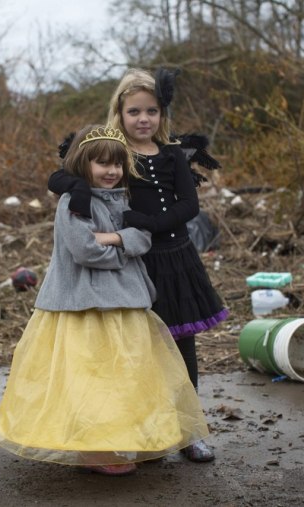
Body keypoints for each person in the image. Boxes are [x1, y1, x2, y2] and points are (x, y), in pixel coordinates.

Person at [0, 124, 210, 476]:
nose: (111, 172)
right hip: (85, 302)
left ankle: (123, 437)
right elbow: (84, 250)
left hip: (125, 301)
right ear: (83, 163)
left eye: (117, 165)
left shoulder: (121, 198)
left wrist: (114, 238)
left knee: (124, 376)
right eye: (102, 164)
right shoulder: (74, 202)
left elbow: (144, 237)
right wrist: (122, 246)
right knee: (90, 376)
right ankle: (94, 449)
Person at [48, 68, 229, 462]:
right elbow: (61, 176)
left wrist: (147, 223)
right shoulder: (111, 152)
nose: (143, 119)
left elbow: (189, 206)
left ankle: (188, 432)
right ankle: (145, 430)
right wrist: (75, 188)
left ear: (161, 114)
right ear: (120, 111)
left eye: (152, 111)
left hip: (176, 259)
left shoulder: (171, 154)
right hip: (134, 264)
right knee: (138, 350)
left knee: (182, 347)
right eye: (134, 111)